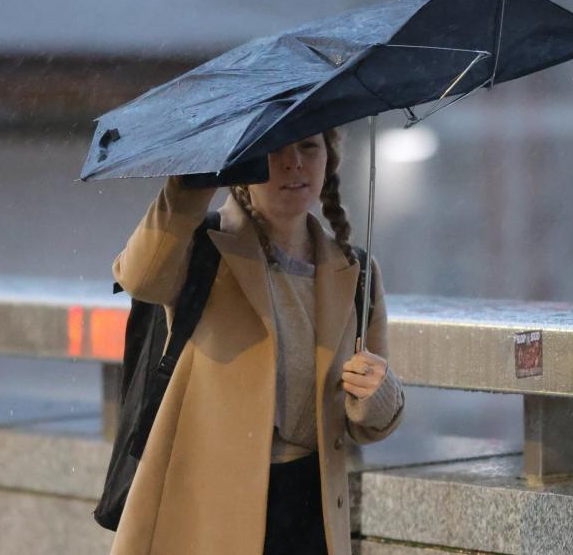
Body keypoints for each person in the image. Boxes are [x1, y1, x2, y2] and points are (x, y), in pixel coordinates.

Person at [108, 127, 405, 555]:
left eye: (308, 145)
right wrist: (192, 182)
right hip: (208, 505)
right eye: (273, 151)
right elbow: (141, 277)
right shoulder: (204, 248)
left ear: (329, 158)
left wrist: (377, 394)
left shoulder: (356, 269)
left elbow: (368, 421)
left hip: (311, 510)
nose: (294, 163)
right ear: (243, 166)